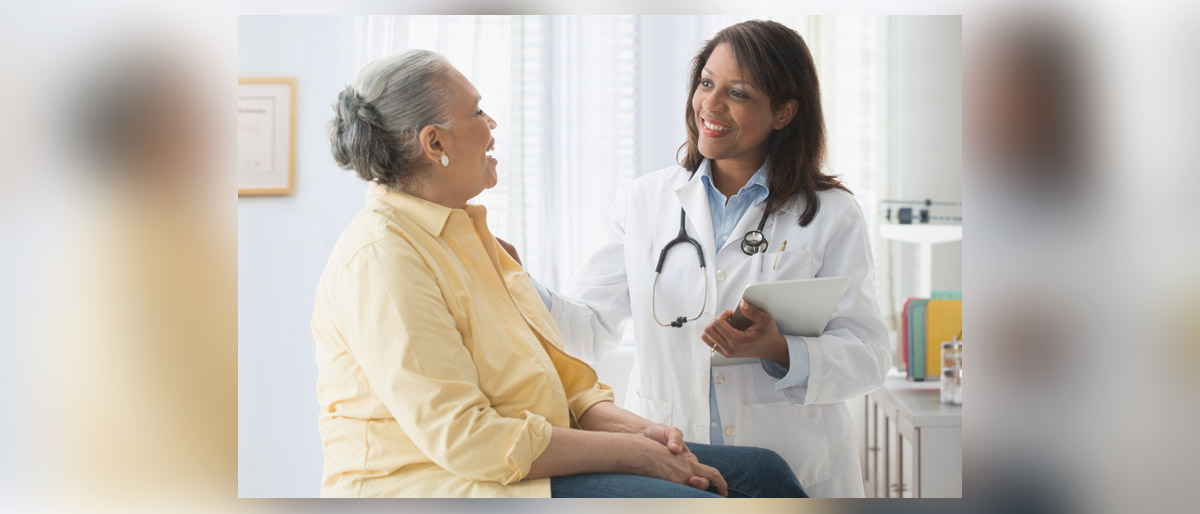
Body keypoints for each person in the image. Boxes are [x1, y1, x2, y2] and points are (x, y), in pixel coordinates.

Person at [311, 49, 808, 498]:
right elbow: (468, 441)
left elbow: (565, 384)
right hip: (440, 483)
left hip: (521, 461)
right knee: (691, 502)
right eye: (477, 111)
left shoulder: (470, 234)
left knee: (765, 474)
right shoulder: (384, 257)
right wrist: (636, 456)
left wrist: (641, 433)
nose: (492, 124)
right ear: (434, 142)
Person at [524, 20, 891, 497]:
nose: (710, 106)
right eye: (706, 83)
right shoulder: (645, 201)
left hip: (793, 467)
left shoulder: (830, 214)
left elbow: (869, 355)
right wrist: (515, 281)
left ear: (783, 112)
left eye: (737, 93)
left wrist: (779, 349)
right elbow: (586, 329)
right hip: (674, 459)